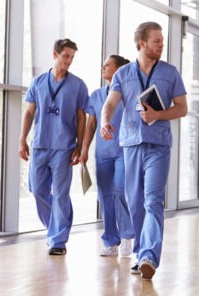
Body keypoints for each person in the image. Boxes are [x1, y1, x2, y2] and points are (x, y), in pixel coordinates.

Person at [99, 21, 188, 280]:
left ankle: (149, 254)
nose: (162, 45)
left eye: (161, 40)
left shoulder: (170, 73)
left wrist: (158, 114)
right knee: (135, 202)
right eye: (157, 41)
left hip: (158, 145)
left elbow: (181, 107)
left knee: (153, 200)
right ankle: (140, 253)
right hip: (130, 145)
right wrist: (105, 122)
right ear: (142, 44)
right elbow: (110, 103)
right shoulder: (123, 74)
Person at [19, 38, 89, 256]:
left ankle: (58, 240)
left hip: (64, 147)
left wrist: (80, 145)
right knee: (37, 190)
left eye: (72, 57)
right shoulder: (38, 82)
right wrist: (22, 138)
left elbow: (81, 118)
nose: (69, 61)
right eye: (66, 56)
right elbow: (29, 112)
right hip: (40, 144)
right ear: (55, 54)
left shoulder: (78, 85)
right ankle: (56, 228)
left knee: (60, 194)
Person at [81, 55, 136, 257]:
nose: (103, 67)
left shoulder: (128, 93)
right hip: (102, 153)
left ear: (120, 69)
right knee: (105, 195)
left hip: (124, 150)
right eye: (103, 64)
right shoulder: (96, 95)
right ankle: (111, 240)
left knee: (121, 191)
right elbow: (91, 125)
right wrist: (84, 149)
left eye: (108, 65)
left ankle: (127, 236)